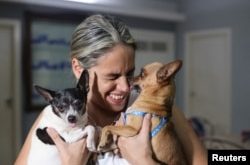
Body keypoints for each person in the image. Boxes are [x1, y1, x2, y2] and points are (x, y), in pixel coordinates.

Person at [15, 14, 207, 165]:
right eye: (112, 76)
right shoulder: (53, 120)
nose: (125, 87)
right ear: (78, 68)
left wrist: (144, 162)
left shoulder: (155, 108)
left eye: (130, 72)